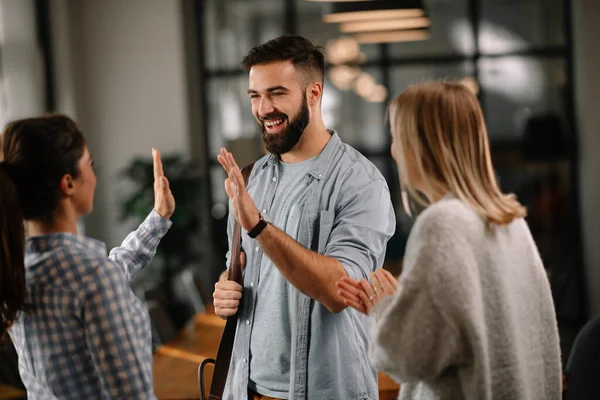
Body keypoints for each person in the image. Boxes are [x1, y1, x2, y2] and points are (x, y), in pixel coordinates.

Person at [337, 82, 562, 400]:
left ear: (421, 146)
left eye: (397, 139)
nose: (393, 151)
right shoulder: (511, 221)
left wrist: (385, 308)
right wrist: (408, 305)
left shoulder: (443, 224)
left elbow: (407, 357)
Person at [213, 35, 396, 399]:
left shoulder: (360, 183)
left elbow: (338, 291)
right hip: (246, 389)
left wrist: (259, 227)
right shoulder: (251, 179)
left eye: (277, 93)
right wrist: (226, 288)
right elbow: (247, 270)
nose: (264, 108)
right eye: (255, 96)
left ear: (314, 93)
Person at [0, 115, 175, 399]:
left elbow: (107, 272)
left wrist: (158, 217)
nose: (94, 176)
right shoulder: (92, 276)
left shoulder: (19, 265)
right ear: (68, 183)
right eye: (89, 165)